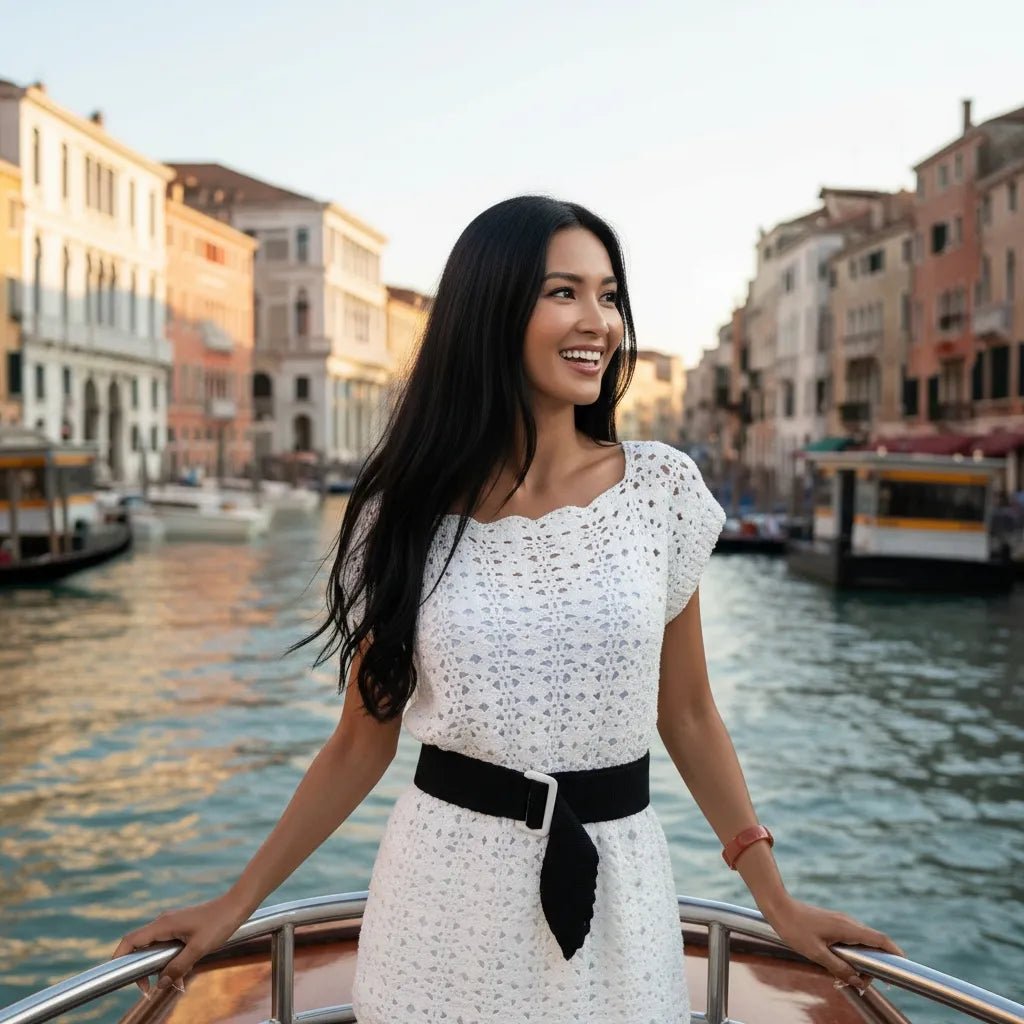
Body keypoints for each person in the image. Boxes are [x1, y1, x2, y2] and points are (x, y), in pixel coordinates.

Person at [113, 196, 904, 1019]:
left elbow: (692, 713)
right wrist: (232, 908)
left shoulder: (660, 489)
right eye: (563, 292)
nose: (597, 320)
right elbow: (360, 740)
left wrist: (775, 900)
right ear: (490, 310)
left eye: (608, 295)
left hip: (621, 896)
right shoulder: (405, 510)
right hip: (440, 899)